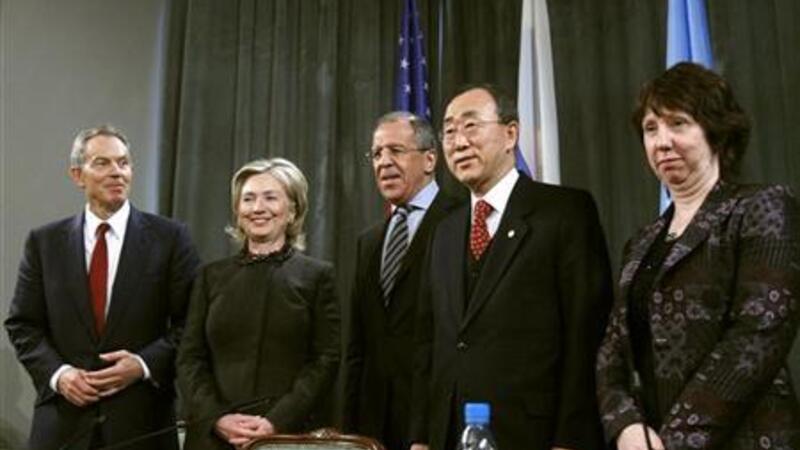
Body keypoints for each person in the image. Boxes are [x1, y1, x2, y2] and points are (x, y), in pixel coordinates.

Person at [596, 62, 800, 450]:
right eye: (651, 129)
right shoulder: (641, 243)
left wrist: (674, 442)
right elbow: (612, 352)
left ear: (716, 133)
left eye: (678, 123)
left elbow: (759, 334)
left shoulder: (762, 207)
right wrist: (626, 428)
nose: (662, 142)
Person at [409, 85, 613, 450]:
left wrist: (571, 438)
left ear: (510, 134)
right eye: (449, 131)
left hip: (533, 434)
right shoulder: (444, 231)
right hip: (448, 433)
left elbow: (586, 336)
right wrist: (420, 437)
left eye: (471, 126)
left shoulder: (565, 212)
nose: (459, 142)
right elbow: (428, 343)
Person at [4, 125, 200, 449]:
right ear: (77, 175)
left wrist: (142, 365)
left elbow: (192, 324)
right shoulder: (44, 243)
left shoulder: (170, 239)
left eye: (123, 163)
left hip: (141, 426)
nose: (116, 172)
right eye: (102, 163)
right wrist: (60, 375)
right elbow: (23, 324)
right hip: (63, 427)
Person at [177, 158, 340, 449]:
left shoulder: (317, 276)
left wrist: (276, 422)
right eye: (248, 199)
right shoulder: (209, 276)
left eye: (270, 198)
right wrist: (218, 418)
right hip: (213, 438)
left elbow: (325, 360)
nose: (258, 208)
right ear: (237, 211)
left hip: (286, 438)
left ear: (292, 210)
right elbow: (190, 359)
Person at [342, 112, 459, 450]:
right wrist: (349, 433)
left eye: (396, 150)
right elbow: (358, 348)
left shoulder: (462, 219)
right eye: (377, 153)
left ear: (430, 159)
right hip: (374, 426)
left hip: (439, 422)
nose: (384, 162)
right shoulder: (368, 241)